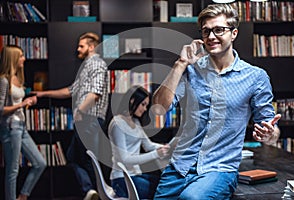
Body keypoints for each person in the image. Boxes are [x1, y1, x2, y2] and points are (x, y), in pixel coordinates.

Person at [152, 4, 281, 200]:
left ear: (234, 33)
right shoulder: (191, 70)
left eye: (219, 29)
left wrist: (269, 133)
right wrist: (180, 64)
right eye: (206, 31)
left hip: (219, 170)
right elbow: (158, 109)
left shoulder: (255, 77)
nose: (211, 36)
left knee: (191, 199)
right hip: (179, 167)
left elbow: (271, 129)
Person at [32, 32, 108, 200]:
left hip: (90, 120)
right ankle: (91, 191)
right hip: (84, 121)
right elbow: (70, 91)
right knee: (73, 157)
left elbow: (95, 93)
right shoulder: (86, 66)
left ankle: (96, 192)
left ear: (91, 46)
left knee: (89, 160)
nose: (77, 49)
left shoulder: (96, 63)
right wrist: (43, 94)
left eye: (81, 46)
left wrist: (80, 111)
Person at [0, 45, 47, 200]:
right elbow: (1, 110)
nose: (24, 58)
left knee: (40, 163)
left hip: (21, 126)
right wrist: (21, 104)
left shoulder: (18, 78)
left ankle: (23, 195)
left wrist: (29, 101)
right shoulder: (3, 81)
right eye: (20, 56)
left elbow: (19, 101)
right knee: (13, 170)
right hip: (10, 127)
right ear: (13, 58)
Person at [108, 85, 170, 199]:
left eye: (146, 105)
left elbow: (148, 145)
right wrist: (157, 154)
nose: (145, 109)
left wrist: (167, 147)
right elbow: (125, 159)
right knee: (163, 191)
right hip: (121, 179)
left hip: (135, 175)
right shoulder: (117, 123)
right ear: (132, 101)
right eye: (143, 104)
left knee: (167, 184)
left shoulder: (135, 122)